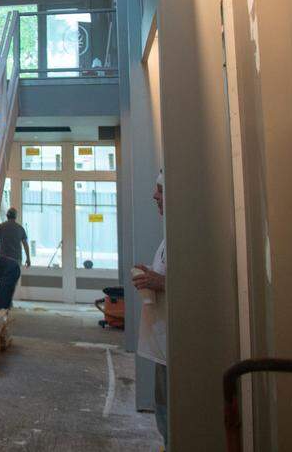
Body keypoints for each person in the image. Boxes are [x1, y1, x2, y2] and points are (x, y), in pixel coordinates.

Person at [133, 171, 168, 448]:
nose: (155, 196)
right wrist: (152, 277)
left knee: (170, 414)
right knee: (163, 412)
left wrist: (162, 282)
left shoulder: (186, 236)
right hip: (162, 344)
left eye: (160, 190)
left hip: (174, 347)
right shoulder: (168, 237)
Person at [0, 208, 32, 309]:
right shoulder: (20, 228)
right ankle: (7, 302)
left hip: (4, 259)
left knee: (4, 281)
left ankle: (5, 302)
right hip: (16, 260)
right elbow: (25, 244)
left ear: (7, 216)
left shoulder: (1, 227)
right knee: (11, 282)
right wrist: (28, 258)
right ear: (15, 217)